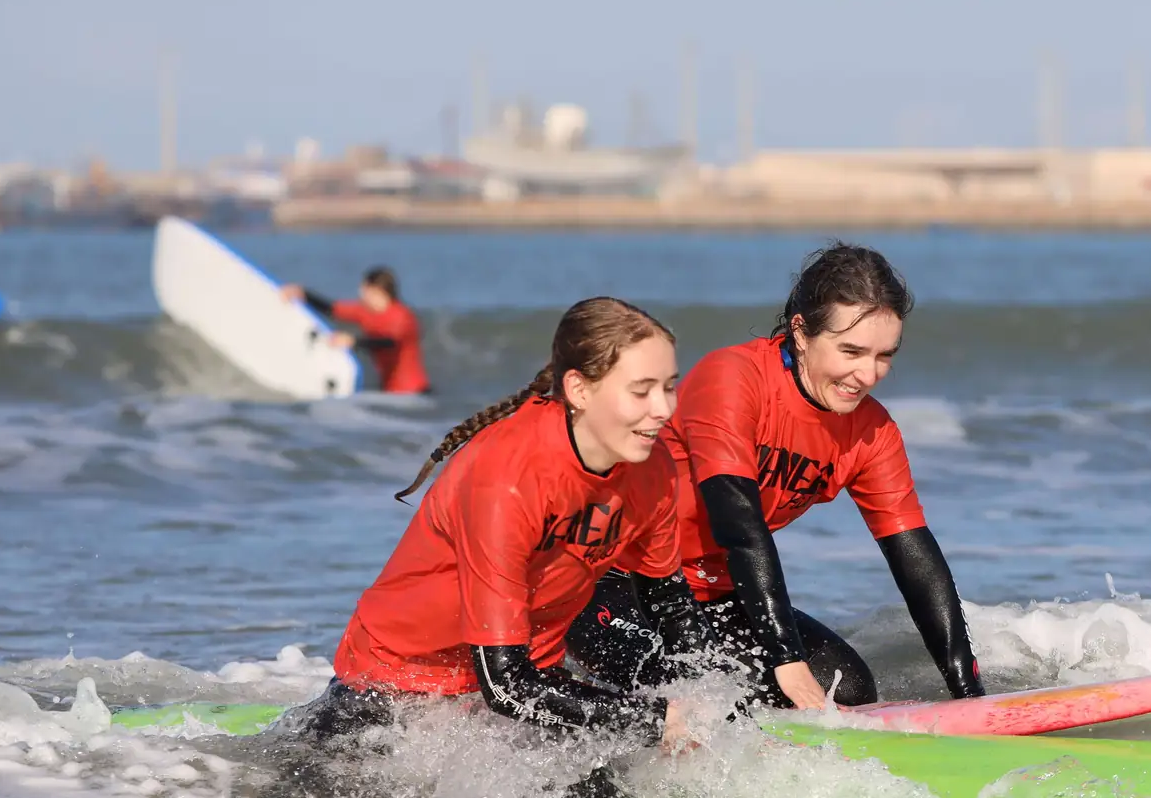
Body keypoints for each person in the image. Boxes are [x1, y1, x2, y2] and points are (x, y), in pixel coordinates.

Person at [571, 242, 983, 711]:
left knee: (846, 692)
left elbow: (915, 561)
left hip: (718, 593)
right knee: (695, 699)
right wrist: (785, 656)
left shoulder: (872, 431)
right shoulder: (733, 379)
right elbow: (738, 523)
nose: (867, 374)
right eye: (851, 351)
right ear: (801, 332)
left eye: (884, 355)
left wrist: (969, 699)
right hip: (608, 579)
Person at [296, 296, 708, 752]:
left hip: (530, 677)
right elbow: (506, 686)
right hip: (397, 686)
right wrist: (653, 723)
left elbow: (669, 604)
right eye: (642, 390)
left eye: (670, 387)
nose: (664, 408)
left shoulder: (653, 467)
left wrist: (701, 703)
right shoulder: (507, 478)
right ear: (579, 389)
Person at [279, 267, 430, 394]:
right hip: (391, 392)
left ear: (376, 290)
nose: (360, 292)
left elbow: (388, 342)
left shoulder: (402, 316)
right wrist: (303, 294)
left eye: (363, 288)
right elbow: (333, 309)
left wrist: (353, 341)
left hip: (415, 393)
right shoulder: (365, 312)